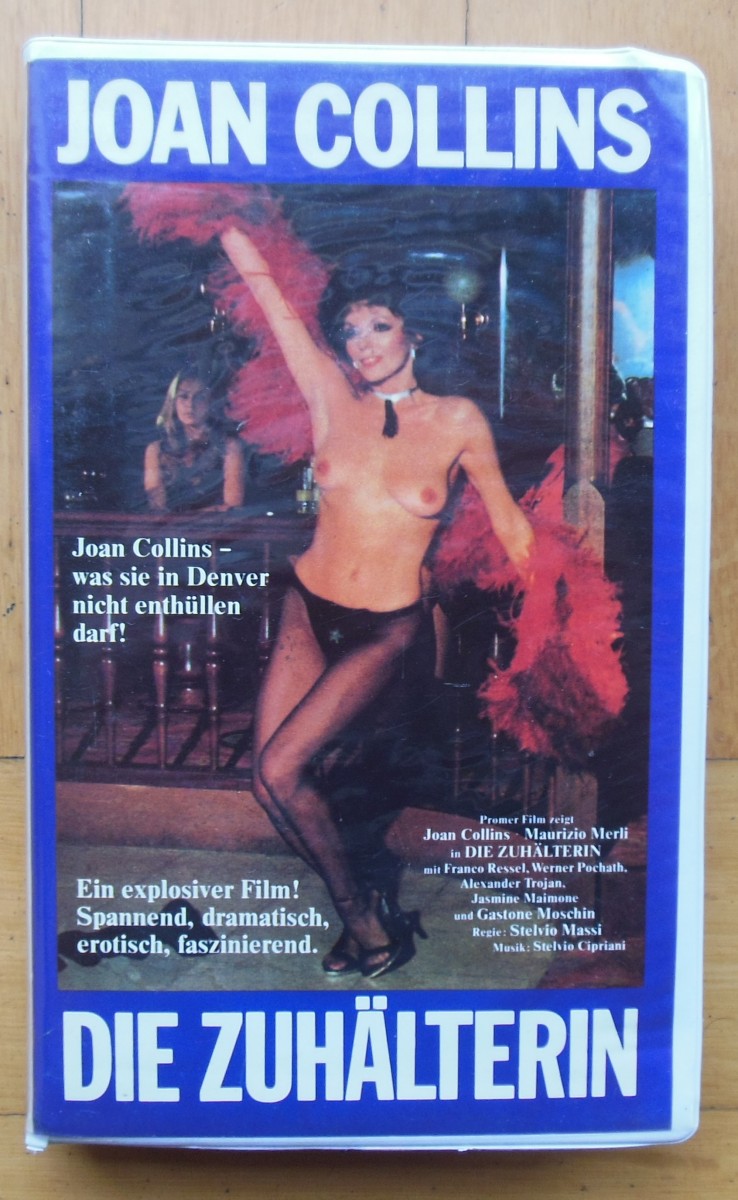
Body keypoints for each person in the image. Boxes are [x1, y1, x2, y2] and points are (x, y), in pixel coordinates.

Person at [221, 226, 534, 979]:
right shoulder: (331, 392)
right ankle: (365, 911)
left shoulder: (458, 420)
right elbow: (273, 301)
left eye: (379, 326)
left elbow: (510, 525)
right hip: (307, 604)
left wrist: (556, 620)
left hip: (388, 627)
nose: (361, 344)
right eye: (351, 330)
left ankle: (363, 918)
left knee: (286, 767)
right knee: (266, 782)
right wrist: (218, 214)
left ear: (414, 332)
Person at [144, 370, 245, 512]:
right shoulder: (156, 450)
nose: (190, 404)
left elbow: (231, 506)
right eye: (184, 396)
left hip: (216, 525)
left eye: (200, 397)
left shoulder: (229, 447)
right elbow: (157, 508)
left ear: (211, 402)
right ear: (173, 402)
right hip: (171, 525)